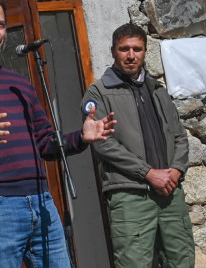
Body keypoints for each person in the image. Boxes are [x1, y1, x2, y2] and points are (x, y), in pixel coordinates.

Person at [0, 0, 116, 268]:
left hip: (41, 202)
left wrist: (81, 137)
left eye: (1, 25)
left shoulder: (20, 83)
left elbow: (44, 143)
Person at [81, 23, 194, 268]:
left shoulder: (158, 90)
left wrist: (175, 170)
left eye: (137, 49)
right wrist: (148, 174)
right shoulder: (98, 92)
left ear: (145, 51)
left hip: (170, 193)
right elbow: (103, 144)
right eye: (124, 49)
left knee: (182, 262)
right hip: (129, 195)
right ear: (113, 51)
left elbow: (179, 136)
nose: (131, 55)